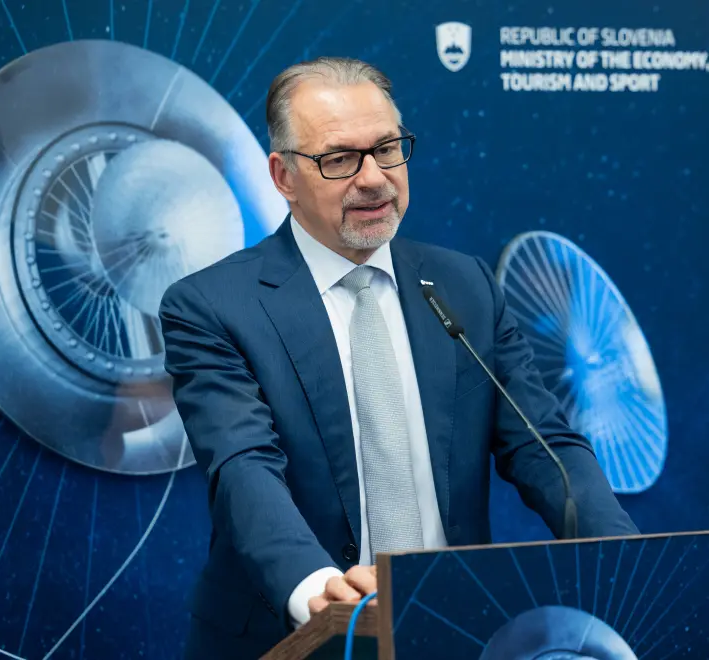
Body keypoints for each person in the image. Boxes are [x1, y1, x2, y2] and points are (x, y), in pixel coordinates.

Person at [159, 56, 638, 659]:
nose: (374, 178)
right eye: (339, 159)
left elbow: (545, 445)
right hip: (290, 640)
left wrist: (623, 556)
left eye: (387, 148)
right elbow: (243, 469)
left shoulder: (464, 285)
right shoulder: (212, 305)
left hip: (459, 630)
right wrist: (319, 592)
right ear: (282, 177)